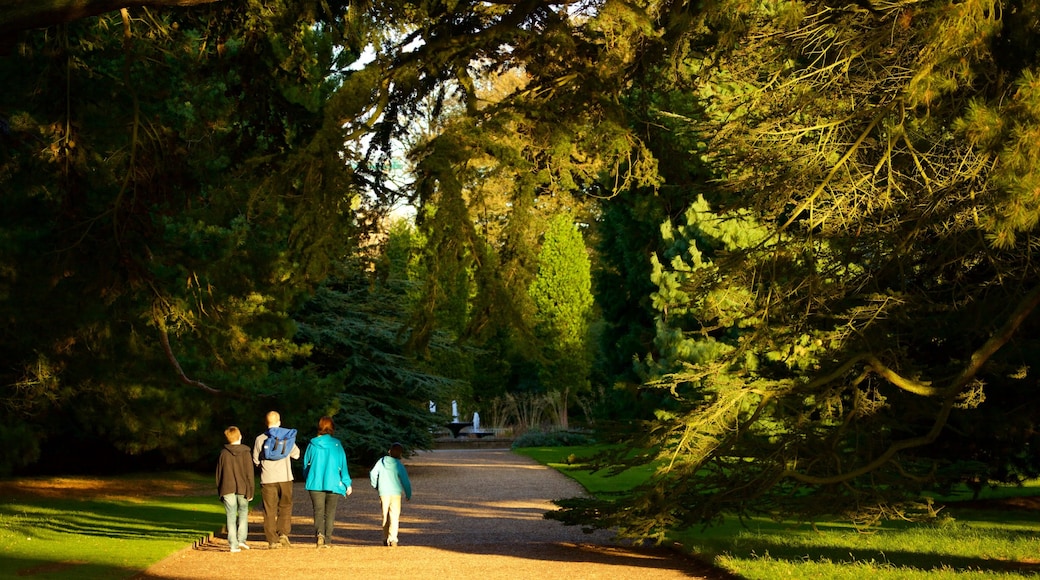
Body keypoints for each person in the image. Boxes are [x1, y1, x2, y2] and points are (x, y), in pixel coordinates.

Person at [302, 416, 353, 548]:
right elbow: (343, 465)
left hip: (315, 483)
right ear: (332, 428)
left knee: (318, 511)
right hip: (333, 482)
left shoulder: (312, 444)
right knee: (330, 512)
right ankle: (328, 540)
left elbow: (306, 465)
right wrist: (347, 483)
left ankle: (320, 534)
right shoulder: (337, 445)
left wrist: (308, 476)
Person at [252, 410, 301, 549]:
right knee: (285, 506)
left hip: (267, 478)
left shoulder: (260, 438)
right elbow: (296, 455)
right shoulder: (287, 437)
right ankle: (283, 534)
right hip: (285, 477)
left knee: (269, 509)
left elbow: (255, 460)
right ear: (279, 422)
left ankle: (272, 540)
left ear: (266, 423)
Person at [216, 426, 254, 553]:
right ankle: (241, 540)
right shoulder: (246, 452)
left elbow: (219, 474)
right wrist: (251, 490)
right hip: (243, 488)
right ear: (240, 436)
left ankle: (233, 544)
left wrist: (219, 490)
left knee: (230, 516)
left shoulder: (223, 453)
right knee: (243, 513)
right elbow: (249, 473)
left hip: (227, 487)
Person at [369, 442, 412, 547]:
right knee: (394, 516)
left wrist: (376, 485)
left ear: (389, 451)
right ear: (400, 454)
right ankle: (393, 538)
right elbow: (405, 481)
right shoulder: (399, 465)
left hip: (384, 492)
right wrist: (408, 493)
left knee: (385, 516)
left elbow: (373, 474)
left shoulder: (381, 462)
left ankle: (384, 537)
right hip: (396, 493)